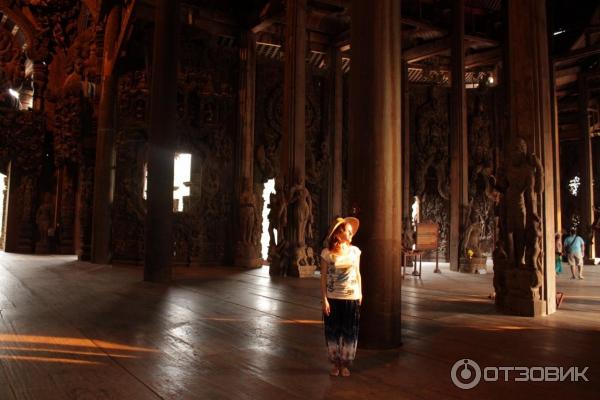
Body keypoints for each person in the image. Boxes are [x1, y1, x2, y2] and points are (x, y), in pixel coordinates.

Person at [320, 216, 362, 377]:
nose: (351, 233)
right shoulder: (326, 253)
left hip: (351, 297)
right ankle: (335, 364)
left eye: (351, 231)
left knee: (349, 332)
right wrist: (324, 299)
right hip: (333, 297)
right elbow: (323, 277)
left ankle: (345, 364)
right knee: (333, 332)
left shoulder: (355, 251)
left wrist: (360, 293)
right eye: (347, 230)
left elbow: (357, 273)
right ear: (338, 234)